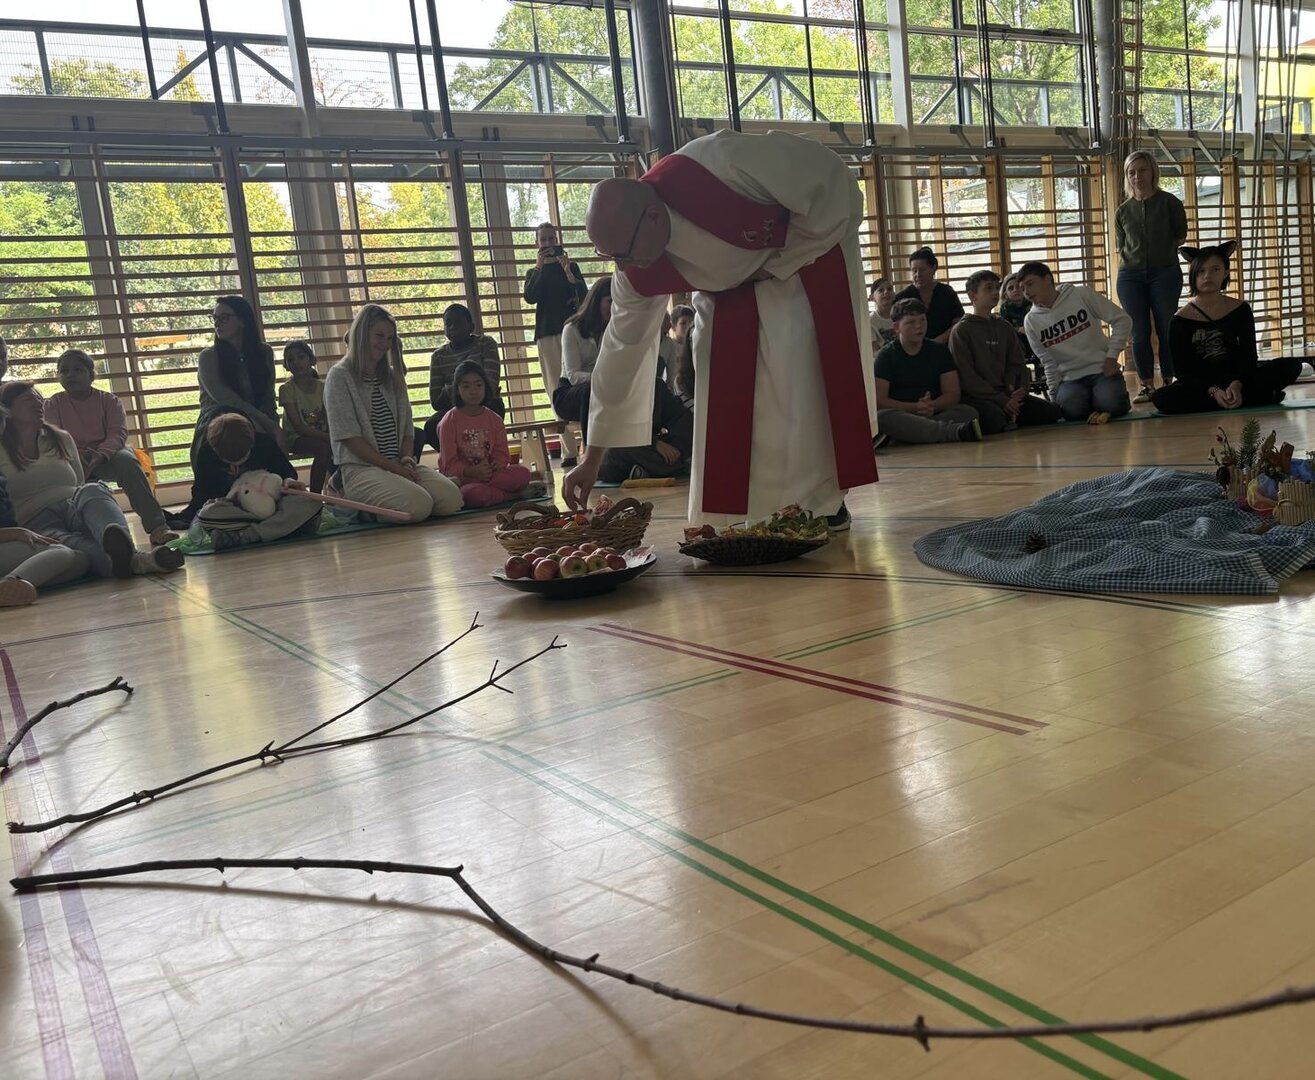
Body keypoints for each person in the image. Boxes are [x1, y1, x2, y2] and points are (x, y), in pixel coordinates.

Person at [564, 128, 878, 531]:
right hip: (724, 297)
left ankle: (822, 503)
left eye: (623, 253)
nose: (622, 266)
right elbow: (619, 357)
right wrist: (591, 459)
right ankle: (737, 514)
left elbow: (830, 182)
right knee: (720, 383)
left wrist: (779, 263)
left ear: (653, 217)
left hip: (799, 262)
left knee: (797, 371)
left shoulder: (723, 165)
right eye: (611, 257)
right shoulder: (634, 268)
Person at [0, 382, 183, 578]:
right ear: (7, 410)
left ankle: (127, 548)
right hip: (37, 520)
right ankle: (140, 561)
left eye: (39, 398)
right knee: (82, 553)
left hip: (73, 505)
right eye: (28, 400)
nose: (38, 404)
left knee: (93, 489)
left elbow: (79, 482)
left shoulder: (61, 438)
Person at [323, 304, 463, 523]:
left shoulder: (392, 376)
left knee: (451, 499)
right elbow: (350, 437)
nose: (385, 344)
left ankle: (392, 499)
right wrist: (394, 468)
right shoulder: (339, 376)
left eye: (389, 338)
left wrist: (406, 460)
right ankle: (356, 507)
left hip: (397, 462)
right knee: (419, 506)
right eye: (379, 336)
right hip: (361, 469)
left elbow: (407, 428)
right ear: (362, 334)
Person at [1152, 242, 1305, 414]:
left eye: (1215, 269)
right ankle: (1254, 398)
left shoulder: (1241, 309)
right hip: (1204, 386)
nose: (1208, 276)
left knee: (1292, 366)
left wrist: (1237, 384)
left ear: (1225, 273)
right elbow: (1182, 371)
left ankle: (1239, 396)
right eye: (1201, 271)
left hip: (1238, 380)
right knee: (1161, 398)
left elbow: (1249, 355)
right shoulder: (1180, 320)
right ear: (1193, 275)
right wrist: (1213, 391)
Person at [44, 348, 176, 545]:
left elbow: (117, 433)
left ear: (91, 374)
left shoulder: (109, 401)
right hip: (72, 458)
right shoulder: (53, 404)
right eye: (64, 371)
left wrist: (100, 455)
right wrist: (77, 456)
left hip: (108, 456)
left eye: (78, 369)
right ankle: (88, 533)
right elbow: (53, 437)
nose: (70, 375)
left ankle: (157, 526)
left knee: (127, 460)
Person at [186, 413, 322, 550]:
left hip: (272, 504)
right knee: (207, 514)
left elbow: (286, 470)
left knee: (310, 503)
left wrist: (289, 481)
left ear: (252, 440)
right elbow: (201, 493)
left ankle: (247, 535)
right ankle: (283, 528)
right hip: (235, 511)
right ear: (215, 449)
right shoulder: (206, 453)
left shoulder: (264, 442)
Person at [1115, 150, 1189, 403]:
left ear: (1153, 172)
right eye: (1131, 172)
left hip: (1165, 272)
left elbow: (1180, 236)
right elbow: (1122, 245)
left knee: (1167, 328)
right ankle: (1146, 385)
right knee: (1139, 332)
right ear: (1127, 176)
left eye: (1142, 170)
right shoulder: (1123, 211)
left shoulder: (1170, 203)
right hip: (1130, 276)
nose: (1137, 176)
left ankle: (1169, 380)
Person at [949, 271, 1062, 434]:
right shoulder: (961, 330)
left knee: (1053, 412)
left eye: (997, 287)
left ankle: (1010, 416)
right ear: (972, 295)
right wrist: (1001, 399)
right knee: (995, 417)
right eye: (989, 288)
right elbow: (967, 378)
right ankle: (1006, 417)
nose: (995, 292)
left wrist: (1018, 391)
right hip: (979, 397)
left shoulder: (1004, 326)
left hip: (1007, 394)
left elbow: (1018, 364)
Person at [1020, 263, 1132, 422]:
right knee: (1071, 412)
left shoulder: (1081, 294)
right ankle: (1093, 403)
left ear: (1048, 279)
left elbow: (1122, 320)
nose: (1026, 292)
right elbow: (1048, 362)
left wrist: (1112, 357)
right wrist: (1054, 396)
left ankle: (1108, 398)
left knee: (1111, 405)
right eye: (1022, 288)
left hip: (1101, 370)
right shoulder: (1031, 321)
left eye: (1030, 284)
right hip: (1070, 379)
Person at [524, 222, 588, 466]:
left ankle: (588, 444)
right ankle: (568, 451)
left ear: (557, 239)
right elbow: (530, 297)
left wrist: (569, 273)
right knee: (554, 387)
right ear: (537, 243)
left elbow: (584, 296)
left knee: (579, 380)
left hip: (574, 330)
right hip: (547, 334)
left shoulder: (571, 266)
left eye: (551, 238)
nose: (548, 243)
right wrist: (539, 268)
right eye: (543, 240)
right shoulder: (533, 272)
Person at [874, 299, 981, 444]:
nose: (919, 326)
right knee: (882, 417)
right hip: (902, 414)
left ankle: (911, 434)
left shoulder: (939, 351)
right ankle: (954, 432)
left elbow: (952, 393)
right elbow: (880, 401)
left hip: (934, 412)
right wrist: (915, 408)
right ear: (896, 327)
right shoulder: (886, 356)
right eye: (911, 322)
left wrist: (932, 405)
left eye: (922, 320)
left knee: (968, 412)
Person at [194, 295, 281, 462]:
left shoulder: (264, 352)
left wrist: (276, 429)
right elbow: (228, 401)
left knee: (274, 456)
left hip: (259, 422)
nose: (217, 323)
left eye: (224, 318)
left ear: (243, 321)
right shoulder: (208, 357)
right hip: (219, 426)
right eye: (215, 318)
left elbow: (268, 398)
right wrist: (269, 426)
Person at [437, 360, 532, 508]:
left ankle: (494, 494)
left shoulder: (495, 420)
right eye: (466, 386)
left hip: (491, 476)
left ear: (485, 387)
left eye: (478, 385)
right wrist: (471, 471)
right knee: (472, 494)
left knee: (523, 473)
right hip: (464, 480)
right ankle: (513, 496)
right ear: (457, 390)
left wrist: (496, 464)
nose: (473, 391)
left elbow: (502, 454)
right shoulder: (449, 422)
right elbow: (448, 465)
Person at [415, 303, 505, 458]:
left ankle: (487, 459)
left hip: (486, 404)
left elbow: (489, 387)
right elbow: (436, 401)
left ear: (471, 327)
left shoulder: (486, 344)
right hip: (455, 408)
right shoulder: (438, 356)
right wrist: (466, 388)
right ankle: (460, 462)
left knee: (492, 410)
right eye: (448, 323)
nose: (452, 327)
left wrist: (453, 389)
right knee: (431, 426)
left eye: (458, 322)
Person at [598, 378, 695, 483]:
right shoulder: (613, 387)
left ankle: (648, 470)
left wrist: (670, 446)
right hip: (629, 445)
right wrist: (654, 443)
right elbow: (616, 431)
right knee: (611, 457)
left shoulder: (656, 386)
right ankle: (673, 468)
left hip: (651, 449)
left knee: (686, 437)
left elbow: (680, 418)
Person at [553, 277, 613, 442]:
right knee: (590, 390)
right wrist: (602, 378)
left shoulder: (613, 330)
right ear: (596, 301)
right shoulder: (572, 329)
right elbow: (573, 376)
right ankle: (591, 448)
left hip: (602, 390)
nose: (614, 307)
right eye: (610, 301)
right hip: (569, 394)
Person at [278, 340, 333, 493]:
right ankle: (315, 496)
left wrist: (332, 436)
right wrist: (327, 437)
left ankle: (339, 487)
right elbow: (298, 427)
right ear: (286, 365)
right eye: (291, 359)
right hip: (295, 438)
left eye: (301, 357)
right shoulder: (286, 389)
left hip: (321, 434)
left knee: (339, 446)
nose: (296, 362)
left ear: (311, 360)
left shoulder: (323, 387)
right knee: (323, 448)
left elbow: (329, 417)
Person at [894, 248, 964, 343]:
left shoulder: (946, 292)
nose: (918, 275)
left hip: (945, 345)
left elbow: (958, 321)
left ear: (933, 269)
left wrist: (939, 341)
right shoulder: (903, 297)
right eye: (914, 271)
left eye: (922, 270)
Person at [869, 277, 896, 349]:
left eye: (889, 289)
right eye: (881, 290)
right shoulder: (870, 321)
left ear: (894, 295)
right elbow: (874, 350)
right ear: (872, 297)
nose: (886, 292)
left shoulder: (902, 316)